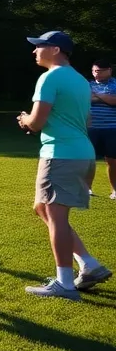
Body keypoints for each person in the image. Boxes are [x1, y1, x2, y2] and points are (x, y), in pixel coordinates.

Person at [17, 32, 111, 299]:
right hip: (82, 153)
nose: (35, 51)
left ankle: (65, 283)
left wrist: (24, 120)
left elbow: (36, 122)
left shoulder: (50, 77)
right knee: (42, 208)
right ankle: (88, 264)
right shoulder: (80, 80)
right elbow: (88, 120)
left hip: (60, 154)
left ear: (56, 49)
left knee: (56, 217)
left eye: (39, 46)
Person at [87, 58, 116, 200]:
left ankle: (115, 190)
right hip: (91, 128)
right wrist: (106, 98)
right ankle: (87, 189)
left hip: (112, 128)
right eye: (94, 71)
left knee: (113, 160)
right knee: (88, 159)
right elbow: (84, 99)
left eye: (99, 71)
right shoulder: (88, 85)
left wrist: (96, 95)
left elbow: (114, 101)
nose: (96, 74)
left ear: (109, 70)